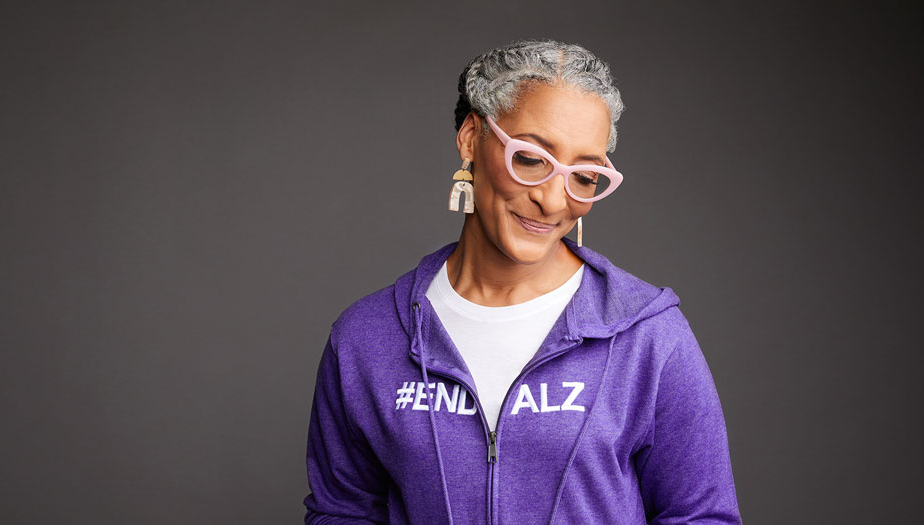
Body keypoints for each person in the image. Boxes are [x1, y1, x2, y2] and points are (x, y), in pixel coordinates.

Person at [303, 39, 741, 524]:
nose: (553, 200)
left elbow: (703, 516)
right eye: (531, 159)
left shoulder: (648, 336)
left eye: (584, 176)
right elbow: (341, 513)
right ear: (471, 138)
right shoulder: (366, 338)